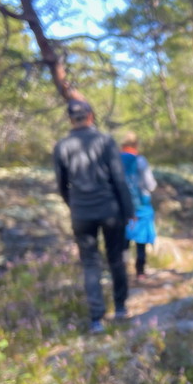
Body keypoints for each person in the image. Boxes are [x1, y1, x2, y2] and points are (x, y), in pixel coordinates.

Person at [53, 99, 134, 334]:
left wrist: (73, 205)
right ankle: (120, 308)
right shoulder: (106, 141)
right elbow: (119, 179)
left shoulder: (61, 146)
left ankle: (96, 319)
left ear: (70, 119)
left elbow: (61, 185)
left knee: (90, 263)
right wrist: (128, 211)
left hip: (81, 213)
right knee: (116, 258)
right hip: (110, 210)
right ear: (90, 116)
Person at [119, 133, 157, 279]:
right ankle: (140, 271)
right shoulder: (140, 161)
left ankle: (122, 270)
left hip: (122, 207)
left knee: (124, 240)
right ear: (136, 144)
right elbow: (150, 185)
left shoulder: (115, 160)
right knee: (141, 240)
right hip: (141, 207)